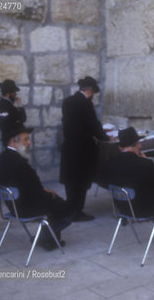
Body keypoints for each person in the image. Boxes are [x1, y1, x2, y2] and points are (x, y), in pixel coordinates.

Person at [0, 124, 73, 250]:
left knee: (54, 202)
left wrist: (43, 192)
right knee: (66, 207)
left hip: (12, 205)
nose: (29, 143)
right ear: (13, 142)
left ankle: (47, 238)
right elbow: (35, 192)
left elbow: (25, 187)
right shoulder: (20, 164)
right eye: (25, 139)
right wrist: (50, 194)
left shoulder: (0, 159)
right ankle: (47, 239)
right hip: (26, 208)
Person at [96, 127, 154, 243]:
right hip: (142, 209)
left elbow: (102, 181)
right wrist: (147, 160)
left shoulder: (110, 164)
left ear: (120, 147)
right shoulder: (144, 164)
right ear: (138, 145)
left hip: (121, 208)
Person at [60, 76, 110, 222]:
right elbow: (93, 124)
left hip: (69, 147)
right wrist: (105, 138)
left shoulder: (68, 101)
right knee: (81, 181)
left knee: (71, 181)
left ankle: (71, 208)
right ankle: (77, 211)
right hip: (82, 149)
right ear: (90, 90)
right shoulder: (85, 103)